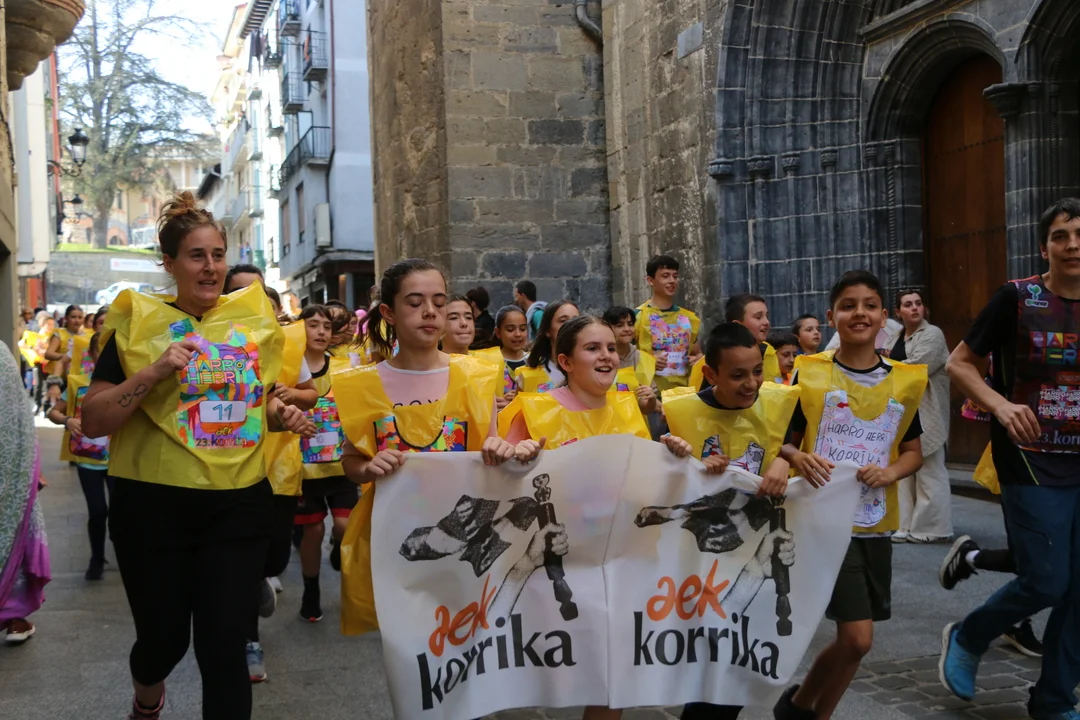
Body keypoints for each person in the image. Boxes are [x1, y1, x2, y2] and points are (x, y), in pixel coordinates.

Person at [81, 192, 311, 720]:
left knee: (225, 647)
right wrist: (156, 369)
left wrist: (281, 414)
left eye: (218, 255)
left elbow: (255, 405)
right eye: (196, 255)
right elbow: (93, 420)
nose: (210, 267)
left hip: (237, 504)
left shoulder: (251, 323)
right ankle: (147, 695)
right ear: (169, 263)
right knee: (163, 642)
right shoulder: (137, 323)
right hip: (152, 508)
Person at [500, 314, 701, 720]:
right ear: (566, 361)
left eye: (610, 347)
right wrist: (514, 458)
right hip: (560, 568)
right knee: (581, 668)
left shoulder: (628, 408)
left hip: (621, 559)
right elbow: (501, 486)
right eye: (592, 348)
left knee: (618, 672)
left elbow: (645, 485)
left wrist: (672, 457)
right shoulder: (533, 410)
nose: (607, 355)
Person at [939, 198, 1080, 720]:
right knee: (1046, 580)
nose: (1073, 245)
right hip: (1030, 456)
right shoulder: (1017, 298)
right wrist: (1000, 405)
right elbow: (959, 363)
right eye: (1061, 236)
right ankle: (970, 635)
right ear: (1044, 247)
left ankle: (1054, 700)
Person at [333, 258, 524, 636]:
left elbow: (490, 447)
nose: (430, 312)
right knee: (410, 650)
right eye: (415, 302)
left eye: (438, 302)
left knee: (467, 642)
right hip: (396, 538)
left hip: (467, 538)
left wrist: (504, 451)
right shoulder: (360, 385)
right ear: (389, 312)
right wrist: (368, 468)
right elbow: (351, 460)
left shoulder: (476, 376)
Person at [775, 270, 926, 720]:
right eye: (848, 305)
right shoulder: (808, 375)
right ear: (831, 316)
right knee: (858, 637)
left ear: (884, 316)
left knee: (854, 643)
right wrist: (797, 457)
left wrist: (891, 471)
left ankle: (800, 708)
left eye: (869, 305)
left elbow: (914, 452)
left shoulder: (904, 381)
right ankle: (807, 711)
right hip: (823, 521)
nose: (859, 313)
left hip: (874, 523)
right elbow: (781, 442)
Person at [665, 323, 799, 720]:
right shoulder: (680, 412)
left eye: (757, 371)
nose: (751, 383)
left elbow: (794, 447)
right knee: (714, 660)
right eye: (738, 375)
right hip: (701, 560)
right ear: (710, 374)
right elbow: (660, 473)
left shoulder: (777, 402)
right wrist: (690, 463)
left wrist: (785, 458)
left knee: (742, 659)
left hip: (755, 555)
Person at [224, 266, 318, 683]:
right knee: (243, 562)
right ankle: (249, 642)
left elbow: (310, 394)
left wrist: (289, 395)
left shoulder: (290, 341)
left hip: (280, 468)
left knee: (277, 556)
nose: (251, 300)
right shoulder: (211, 342)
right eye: (239, 292)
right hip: (231, 469)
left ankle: (263, 575)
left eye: (259, 292)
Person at [294, 304, 356, 624]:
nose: (320, 331)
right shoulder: (289, 369)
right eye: (313, 325)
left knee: (345, 526)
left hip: (342, 464)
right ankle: (311, 589)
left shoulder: (345, 367)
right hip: (304, 469)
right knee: (313, 530)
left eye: (326, 327)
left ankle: (338, 547)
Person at [885, 288, 952, 544]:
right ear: (898, 312)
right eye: (908, 304)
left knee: (930, 470)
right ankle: (904, 525)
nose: (914, 308)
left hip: (927, 409)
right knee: (903, 469)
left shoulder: (932, 334)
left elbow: (918, 366)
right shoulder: (896, 336)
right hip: (902, 409)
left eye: (918, 303)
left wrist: (885, 364)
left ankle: (932, 528)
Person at [47, 325, 114, 581]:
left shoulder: (125, 382)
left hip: (118, 460)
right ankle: (96, 558)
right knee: (97, 511)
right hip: (87, 460)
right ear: (92, 353)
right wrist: (67, 421)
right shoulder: (77, 382)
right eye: (101, 350)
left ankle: (127, 554)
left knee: (120, 513)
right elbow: (53, 412)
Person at [0, 343, 49, 645]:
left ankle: (14, 616)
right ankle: (14, 616)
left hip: (9, 473)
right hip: (10, 473)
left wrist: (30, 468)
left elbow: (17, 418)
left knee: (13, 534)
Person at [633, 255, 702, 391]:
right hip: (651, 394)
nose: (672, 281)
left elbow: (697, 353)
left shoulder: (688, 318)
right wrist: (649, 362)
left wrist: (697, 359)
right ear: (650, 280)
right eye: (665, 276)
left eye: (675, 276)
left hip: (683, 393)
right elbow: (623, 356)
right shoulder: (637, 316)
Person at [602, 305, 658, 416]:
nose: (627, 329)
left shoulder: (644, 359)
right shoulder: (601, 358)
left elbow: (645, 408)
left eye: (630, 324)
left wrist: (651, 399)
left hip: (635, 423)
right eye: (619, 325)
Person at [515, 300, 580, 392]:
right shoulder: (528, 376)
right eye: (563, 321)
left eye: (576, 321)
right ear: (547, 331)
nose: (571, 326)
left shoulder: (591, 371)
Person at [475, 305, 530, 410]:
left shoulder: (534, 361)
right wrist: (498, 400)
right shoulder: (488, 362)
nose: (518, 334)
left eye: (523, 329)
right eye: (510, 330)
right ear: (498, 332)